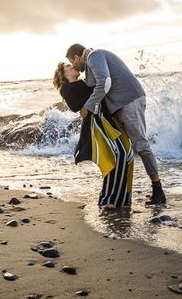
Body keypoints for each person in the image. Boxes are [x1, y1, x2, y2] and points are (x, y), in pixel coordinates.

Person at [65, 44, 166, 205]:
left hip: (129, 101)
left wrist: (88, 107)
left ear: (77, 58)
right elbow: (93, 87)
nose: (73, 65)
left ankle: (158, 190)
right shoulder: (92, 63)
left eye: (72, 62)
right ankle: (121, 194)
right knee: (124, 150)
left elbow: (105, 83)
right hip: (120, 105)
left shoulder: (94, 56)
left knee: (140, 145)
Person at [53, 62, 134, 210]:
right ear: (64, 75)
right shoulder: (66, 88)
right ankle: (108, 200)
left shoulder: (85, 82)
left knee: (124, 154)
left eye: (71, 64)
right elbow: (75, 106)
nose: (72, 66)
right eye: (68, 67)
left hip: (106, 119)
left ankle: (121, 199)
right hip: (95, 123)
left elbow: (99, 93)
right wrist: (91, 100)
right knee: (117, 154)